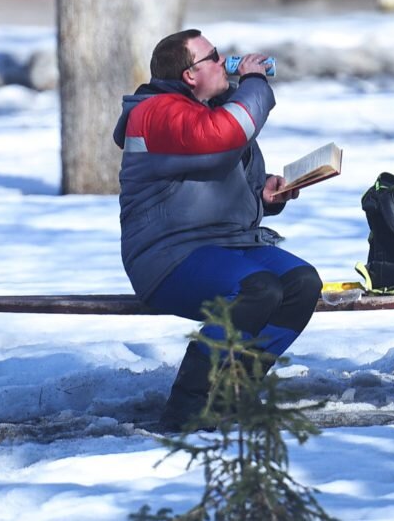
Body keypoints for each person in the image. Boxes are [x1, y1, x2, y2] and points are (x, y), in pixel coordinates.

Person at [113, 29, 322, 432]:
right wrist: (255, 82)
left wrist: (267, 198)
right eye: (213, 56)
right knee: (258, 288)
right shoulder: (156, 112)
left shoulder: (206, 111)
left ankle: (234, 390)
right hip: (167, 256)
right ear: (190, 74)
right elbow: (227, 134)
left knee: (301, 283)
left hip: (228, 246)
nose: (224, 59)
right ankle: (186, 406)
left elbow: (225, 182)